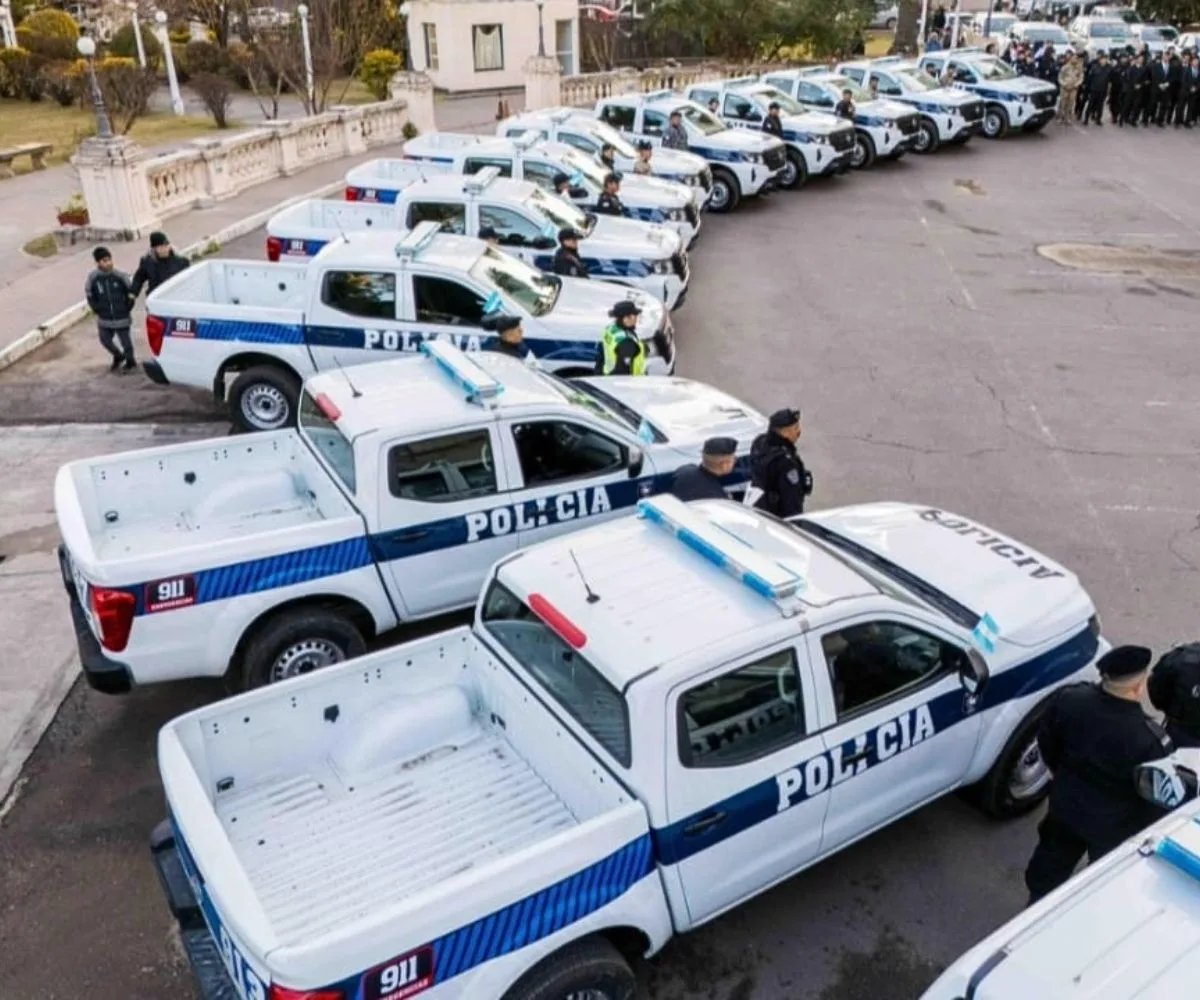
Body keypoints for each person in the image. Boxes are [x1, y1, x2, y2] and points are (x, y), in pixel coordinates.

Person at [1023, 645, 1173, 905]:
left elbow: (1047, 739)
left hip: (1065, 807)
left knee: (1047, 872)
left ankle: (1035, 910)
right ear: (1138, 687)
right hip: (1112, 827)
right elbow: (1153, 797)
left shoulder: (1070, 699)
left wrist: (1060, 773)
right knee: (1098, 883)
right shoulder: (1150, 740)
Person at [749, 408, 812, 518]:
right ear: (785, 433)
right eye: (795, 428)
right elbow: (791, 500)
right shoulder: (786, 462)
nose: (799, 431)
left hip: (760, 509)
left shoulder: (760, 442)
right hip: (778, 517)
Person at [84, 246, 136, 373]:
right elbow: (89, 294)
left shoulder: (120, 276)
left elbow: (131, 292)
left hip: (121, 316)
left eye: (109, 259)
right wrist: (96, 308)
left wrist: (127, 307)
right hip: (104, 318)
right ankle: (118, 356)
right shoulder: (93, 278)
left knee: (126, 342)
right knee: (105, 340)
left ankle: (131, 362)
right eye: (104, 261)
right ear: (98, 263)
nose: (108, 263)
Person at [1148, 643, 1200, 747]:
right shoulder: (1179, 660)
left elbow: (1157, 694)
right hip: (1182, 734)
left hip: (1181, 735)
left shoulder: (1179, 660)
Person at [670, 437, 738, 502]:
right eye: (734, 459)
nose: (735, 461)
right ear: (724, 465)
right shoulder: (718, 499)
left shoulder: (684, 470)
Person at [130, 231, 190, 299]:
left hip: (177, 295)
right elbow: (138, 278)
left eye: (166, 245)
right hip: (157, 297)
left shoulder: (181, 261)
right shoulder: (148, 263)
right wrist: (133, 293)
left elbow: (189, 278)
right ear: (154, 248)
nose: (165, 249)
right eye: (161, 247)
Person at [595, 300, 647, 376]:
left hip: (606, 376)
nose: (636, 318)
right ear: (625, 318)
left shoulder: (611, 330)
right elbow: (623, 372)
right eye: (633, 316)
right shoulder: (626, 343)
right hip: (627, 381)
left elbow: (601, 356)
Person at [1081, 52, 1112, 126]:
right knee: (1090, 104)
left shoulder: (1109, 68)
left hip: (1103, 89)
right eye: (1102, 59)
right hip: (1094, 89)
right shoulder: (1094, 67)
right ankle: (1086, 119)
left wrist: (1108, 91)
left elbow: (1110, 79)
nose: (1103, 60)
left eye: (1105, 59)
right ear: (1099, 60)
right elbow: (1089, 78)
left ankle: (1098, 119)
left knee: (1100, 106)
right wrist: (1087, 87)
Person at [1121, 51, 1149, 125]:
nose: (1141, 60)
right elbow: (1128, 79)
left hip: (1139, 90)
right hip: (1130, 89)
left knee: (1136, 106)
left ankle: (1133, 120)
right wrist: (1134, 85)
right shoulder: (1131, 68)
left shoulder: (1144, 69)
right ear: (1136, 59)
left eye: (1142, 59)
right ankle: (1123, 118)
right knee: (1127, 105)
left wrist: (1140, 85)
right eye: (1139, 59)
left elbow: (1146, 80)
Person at [1057, 51, 1083, 123]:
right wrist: (1064, 84)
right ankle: (1060, 117)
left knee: (1071, 104)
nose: (1075, 60)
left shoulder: (1079, 69)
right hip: (1064, 88)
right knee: (1063, 103)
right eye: (1073, 58)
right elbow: (1060, 77)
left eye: (1076, 59)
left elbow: (1081, 78)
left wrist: (1076, 84)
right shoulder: (1065, 67)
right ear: (1070, 59)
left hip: (1073, 89)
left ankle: (1068, 118)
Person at [1150, 49, 1173, 126]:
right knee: (1153, 104)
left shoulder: (1171, 67)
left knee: (1164, 105)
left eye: (1168, 56)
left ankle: (1160, 120)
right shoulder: (1156, 65)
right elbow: (1154, 76)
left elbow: (1172, 77)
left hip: (1166, 89)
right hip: (1157, 88)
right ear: (1162, 56)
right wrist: (1159, 84)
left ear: (1169, 57)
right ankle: (1150, 118)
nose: (1166, 57)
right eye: (1165, 56)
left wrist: (1167, 84)